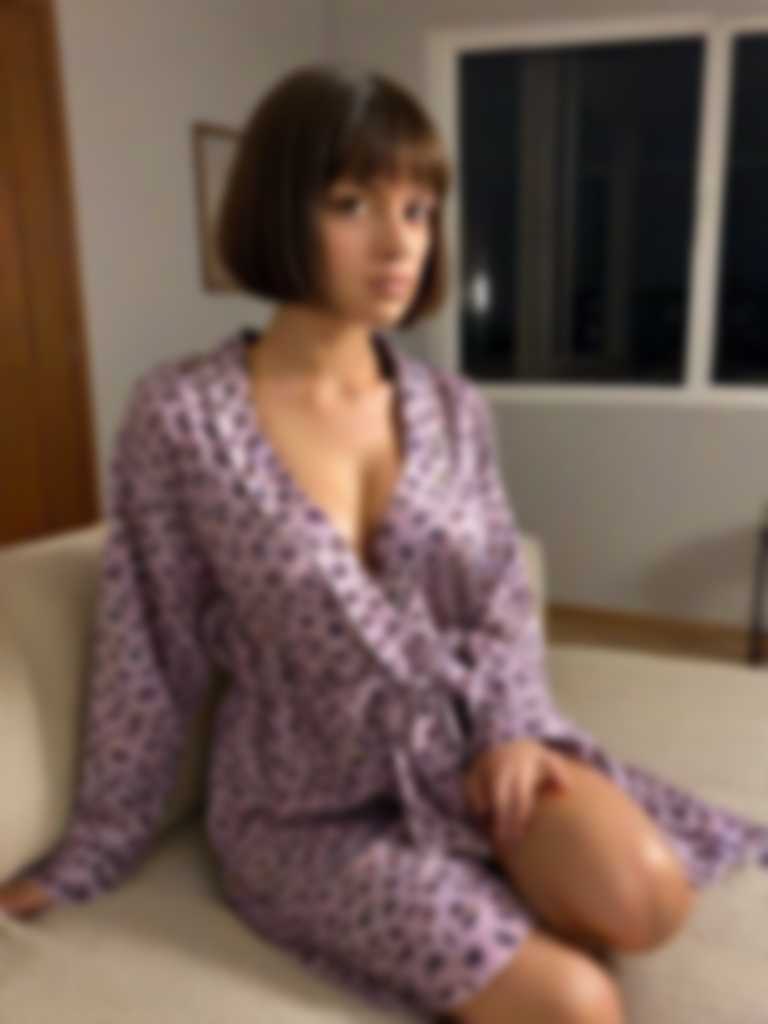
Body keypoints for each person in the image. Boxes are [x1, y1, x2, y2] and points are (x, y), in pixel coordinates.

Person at [3, 62, 768, 1024]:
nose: (399, 242)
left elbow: (500, 595)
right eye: (353, 204)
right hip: (306, 800)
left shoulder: (453, 408)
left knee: (649, 896)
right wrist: (94, 849)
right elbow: (146, 645)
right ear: (279, 209)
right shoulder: (180, 417)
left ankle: (507, 877)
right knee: (578, 1006)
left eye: (418, 209)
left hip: (468, 744)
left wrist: (512, 726)